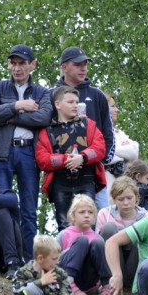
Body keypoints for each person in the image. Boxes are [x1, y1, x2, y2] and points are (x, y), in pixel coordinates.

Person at [0, 44, 53, 256]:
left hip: (29, 154)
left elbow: (43, 118)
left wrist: (11, 117)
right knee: (2, 207)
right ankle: (8, 258)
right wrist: (18, 106)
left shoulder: (42, 92)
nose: (17, 68)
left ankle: (30, 259)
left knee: (29, 210)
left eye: (22, 63)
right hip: (1, 153)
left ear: (32, 65)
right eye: (13, 63)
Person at [35, 85, 106, 229]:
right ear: (57, 104)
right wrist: (66, 160)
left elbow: (100, 148)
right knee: (64, 224)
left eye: (76, 102)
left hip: (86, 181)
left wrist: (83, 157)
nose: (75, 105)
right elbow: (42, 159)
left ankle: (89, 251)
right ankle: (67, 252)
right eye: (70, 102)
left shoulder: (88, 124)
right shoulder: (47, 131)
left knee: (88, 224)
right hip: (60, 184)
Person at [55, 46, 114, 209]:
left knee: (98, 222)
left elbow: (108, 131)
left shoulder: (97, 95)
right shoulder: (51, 96)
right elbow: (45, 133)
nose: (83, 68)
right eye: (78, 64)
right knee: (66, 225)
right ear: (64, 67)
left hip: (93, 171)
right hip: (62, 173)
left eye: (85, 64)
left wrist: (102, 161)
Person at [97, 176, 148, 293]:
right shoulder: (104, 214)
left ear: (137, 197)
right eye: (121, 199)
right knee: (109, 228)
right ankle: (109, 281)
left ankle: (134, 283)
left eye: (129, 198)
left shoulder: (146, 217)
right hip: (112, 267)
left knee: (142, 234)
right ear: (114, 199)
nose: (126, 203)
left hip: (134, 267)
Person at [58, 194, 112, 295]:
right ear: (73, 216)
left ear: (94, 216)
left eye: (90, 212)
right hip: (65, 276)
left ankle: (107, 286)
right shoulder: (64, 234)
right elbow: (53, 258)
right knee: (82, 241)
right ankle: (69, 283)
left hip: (87, 280)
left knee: (97, 243)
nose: (86, 215)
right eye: (82, 212)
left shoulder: (98, 238)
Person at [104, 93, 139, 195]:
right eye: (113, 106)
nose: (117, 110)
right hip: (106, 187)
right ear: (103, 109)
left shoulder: (119, 133)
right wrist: (123, 153)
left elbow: (134, 153)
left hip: (123, 185)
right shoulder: (95, 132)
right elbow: (100, 155)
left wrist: (109, 149)